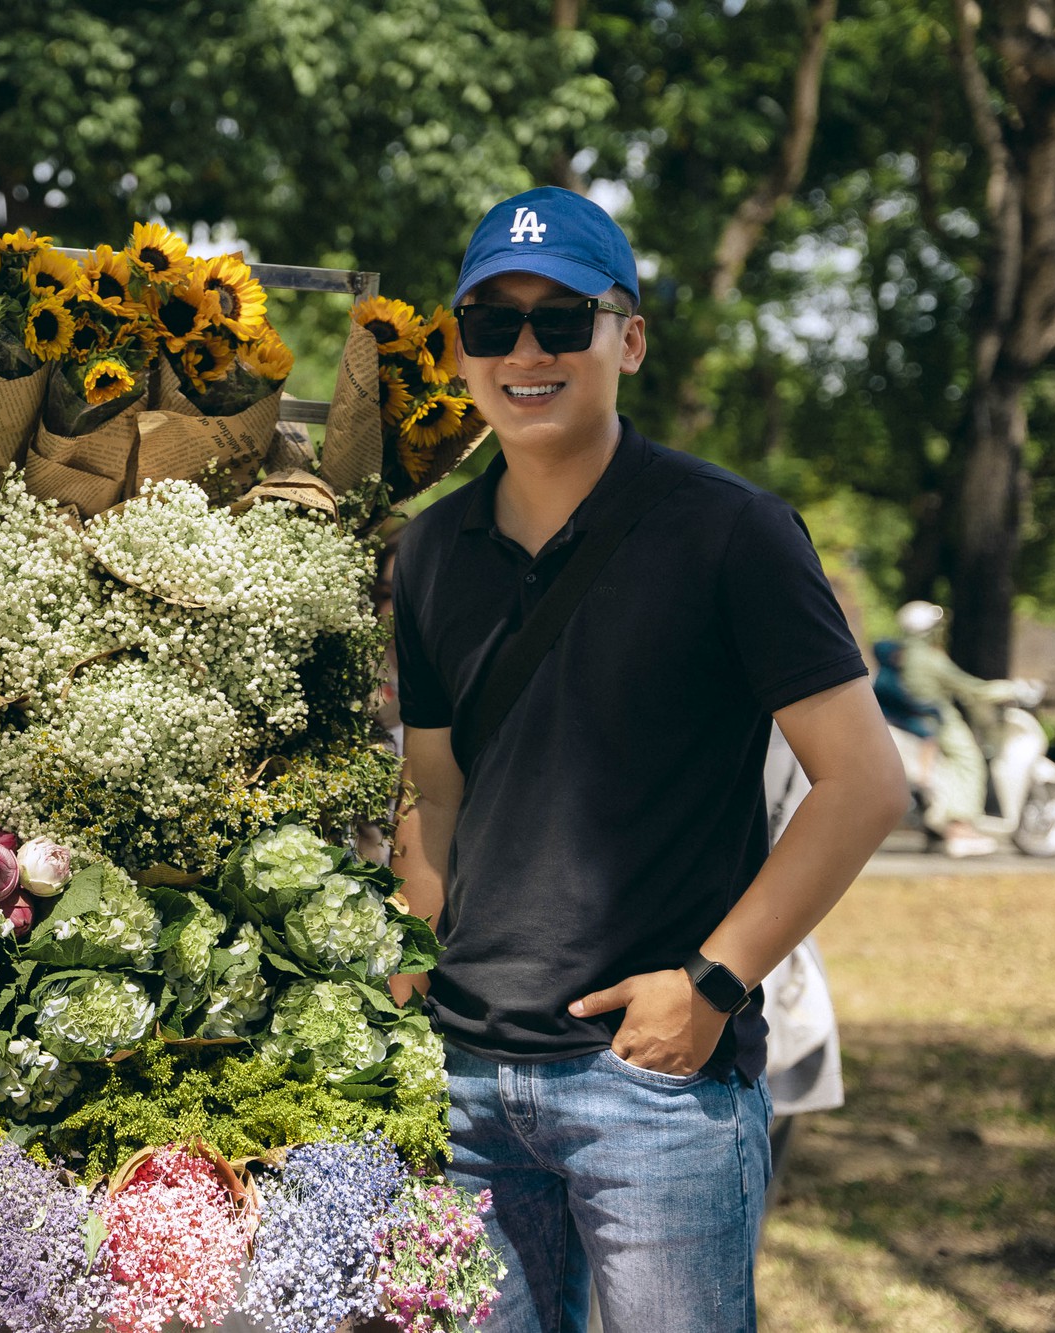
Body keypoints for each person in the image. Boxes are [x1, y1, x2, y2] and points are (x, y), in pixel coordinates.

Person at [389, 187, 907, 1332]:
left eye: (561, 318)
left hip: (653, 1090)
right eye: (491, 324)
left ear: (626, 337)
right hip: (464, 1087)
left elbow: (863, 784)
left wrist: (712, 984)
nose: (525, 350)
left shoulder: (730, 532)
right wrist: (413, 950)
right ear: (458, 349)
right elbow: (433, 788)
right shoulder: (427, 551)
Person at [893, 599, 1023, 857]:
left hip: (914, 722)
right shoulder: (930, 659)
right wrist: (1011, 688)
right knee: (969, 761)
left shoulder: (902, 655)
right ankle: (960, 829)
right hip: (938, 720)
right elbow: (970, 687)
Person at [871, 638, 941, 782]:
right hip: (896, 718)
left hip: (897, 716)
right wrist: (930, 709)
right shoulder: (886, 679)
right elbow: (904, 703)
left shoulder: (888, 675)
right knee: (929, 736)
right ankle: (924, 777)